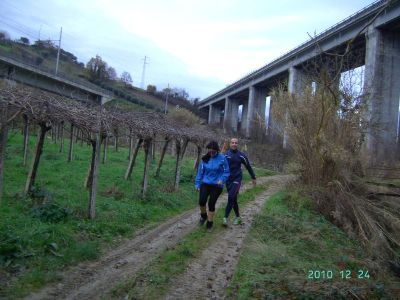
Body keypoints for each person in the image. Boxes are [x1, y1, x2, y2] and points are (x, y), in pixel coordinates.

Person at [195, 141, 230, 232]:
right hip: (205, 183)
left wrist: (222, 179)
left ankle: (210, 223)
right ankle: (203, 216)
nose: (211, 153)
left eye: (213, 152)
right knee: (202, 201)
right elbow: (200, 173)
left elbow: (227, 172)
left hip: (217, 185)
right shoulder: (204, 159)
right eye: (209, 151)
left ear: (216, 151)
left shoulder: (222, 158)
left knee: (211, 203)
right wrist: (197, 184)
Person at [223, 138, 256, 226]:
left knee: (231, 196)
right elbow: (221, 167)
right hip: (228, 180)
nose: (234, 144)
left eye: (236, 143)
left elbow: (248, 166)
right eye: (233, 143)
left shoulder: (241, 155)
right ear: (230, 144)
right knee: (233, 199)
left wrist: (253, 177)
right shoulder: (226, 155)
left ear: (238, 145)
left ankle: (225, 218)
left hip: (237, 179)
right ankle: (238, 218)